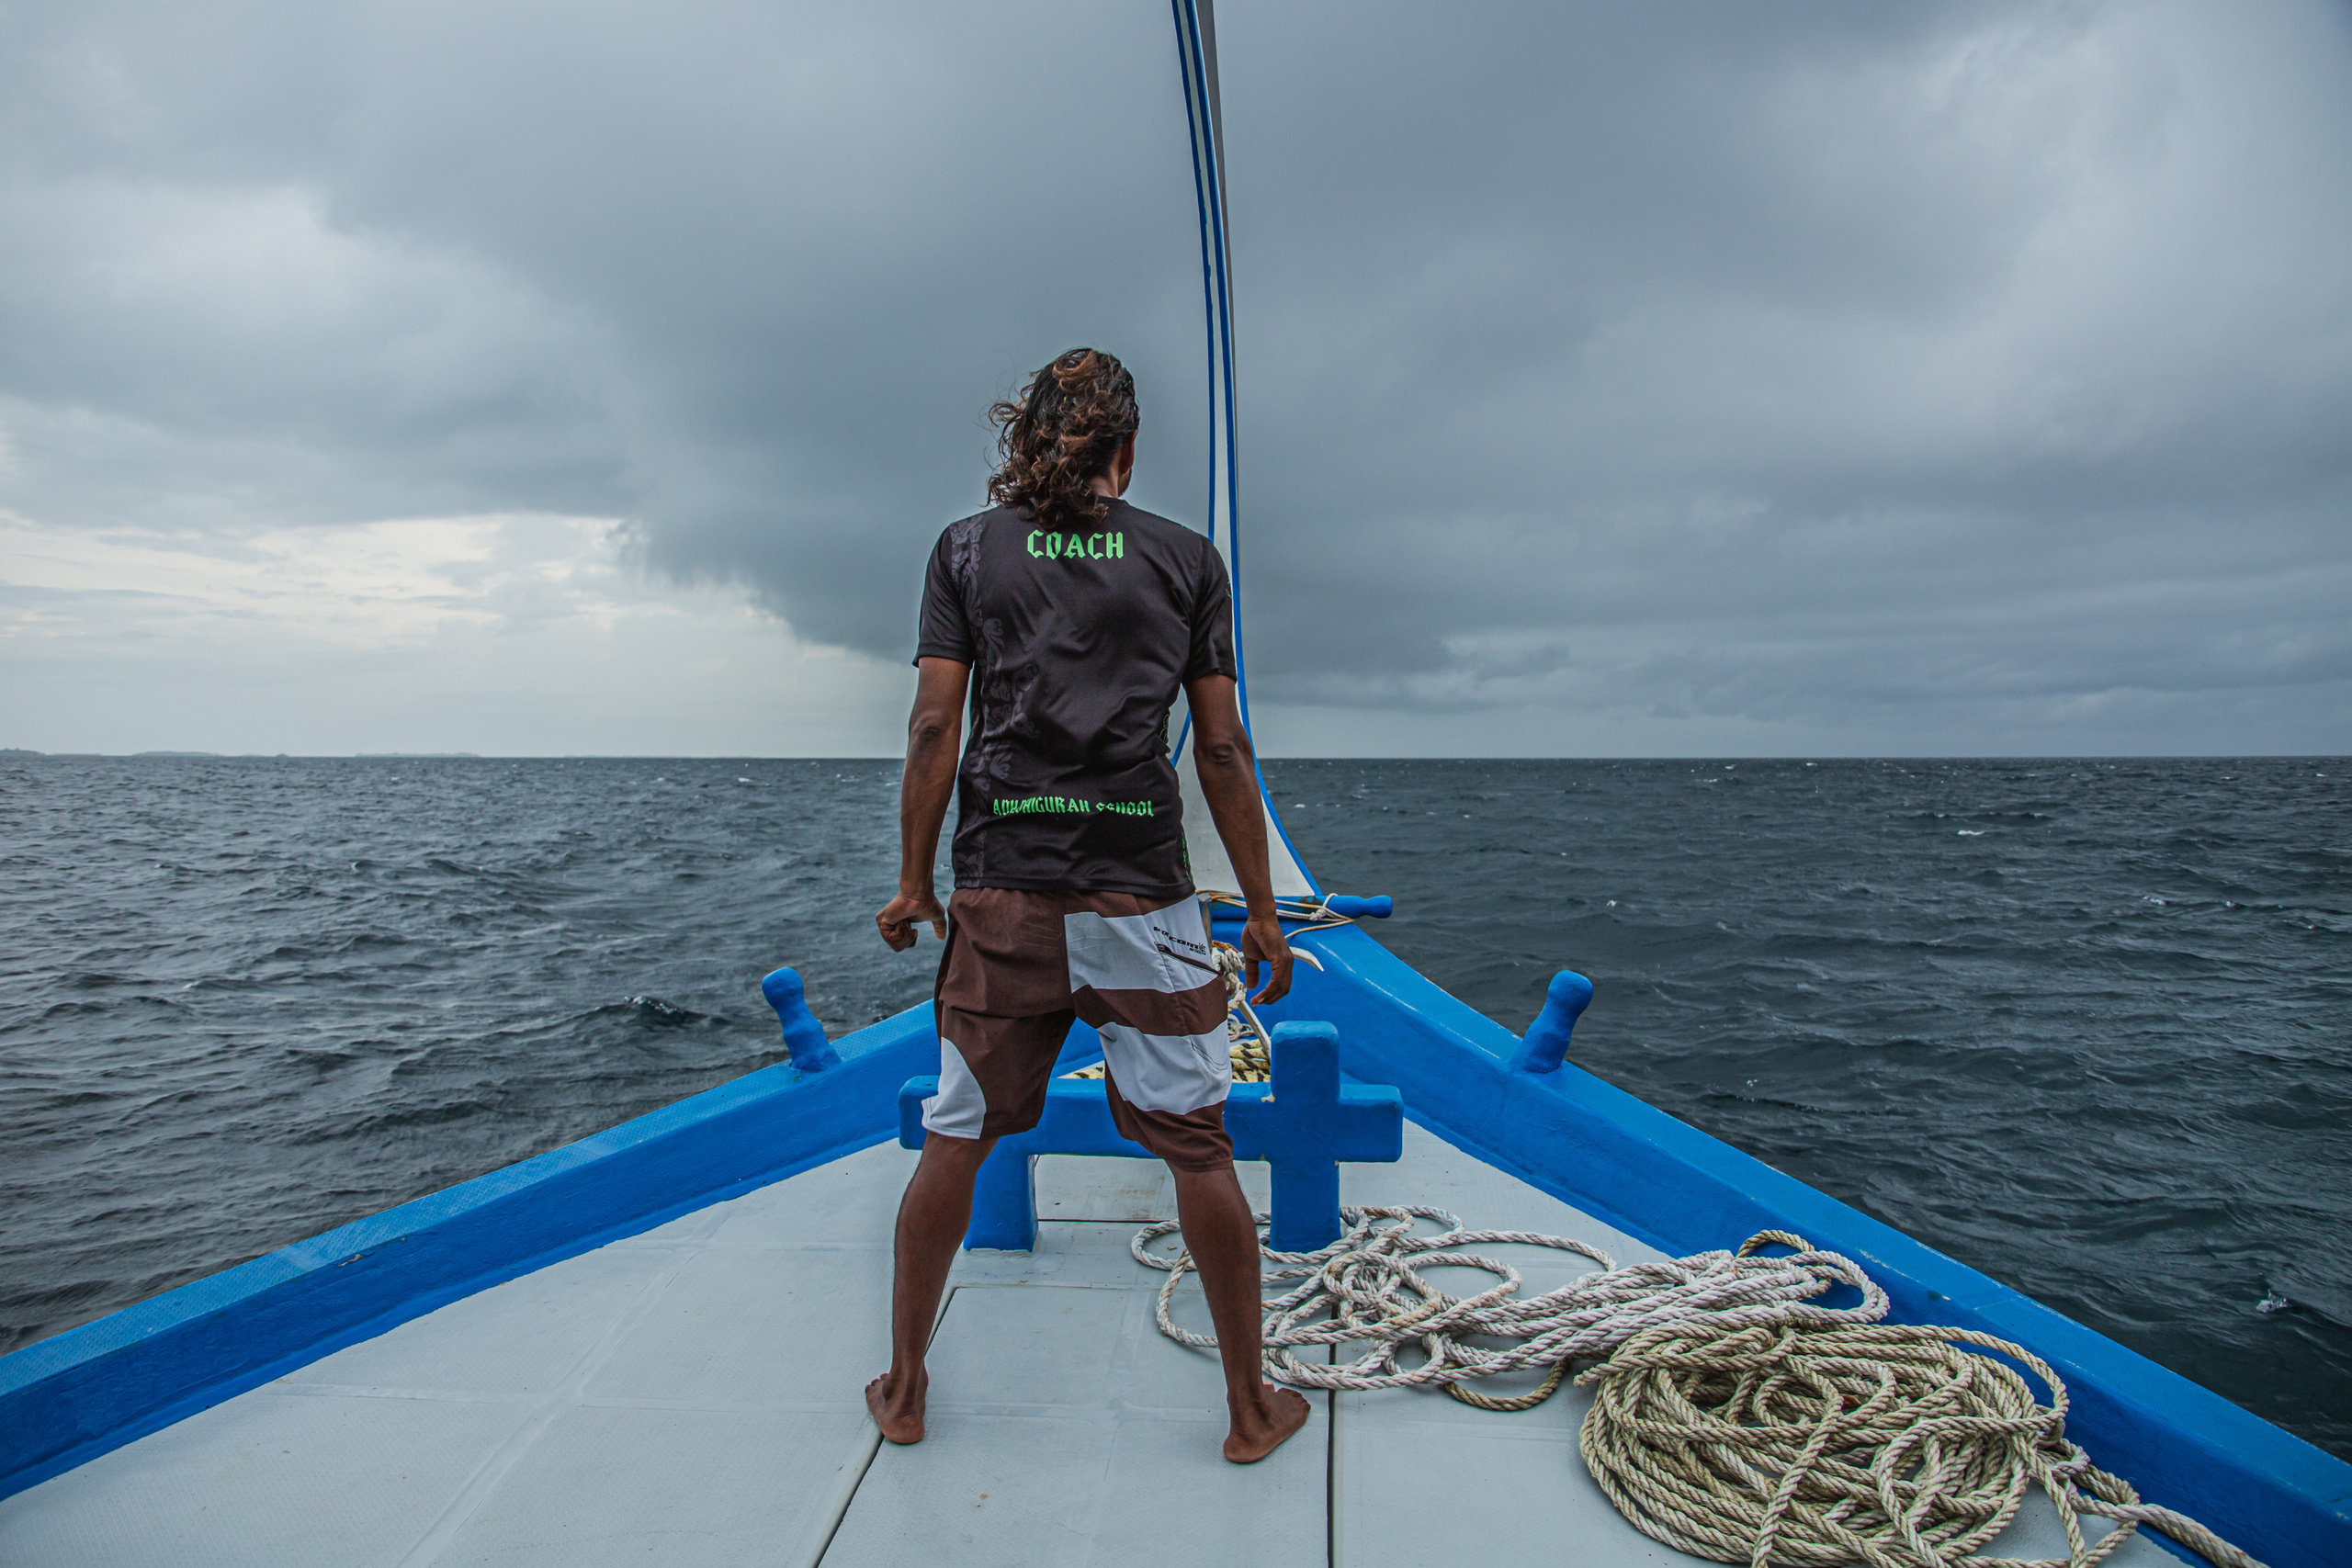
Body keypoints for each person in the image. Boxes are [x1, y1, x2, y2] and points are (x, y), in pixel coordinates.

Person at [867, 346, 1311, 1464]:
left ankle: (906, 1388)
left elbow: (934, 724)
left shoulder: (965, 550)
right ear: (1128, 450)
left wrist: (916, 882)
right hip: (1141, 894)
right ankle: (1249, 1410)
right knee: (1197, 1151)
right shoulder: (1186, 559)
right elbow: (1220, 745)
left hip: (1002, 892)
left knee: (956, 1134)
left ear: (1026, 439)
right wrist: (1262, 909)